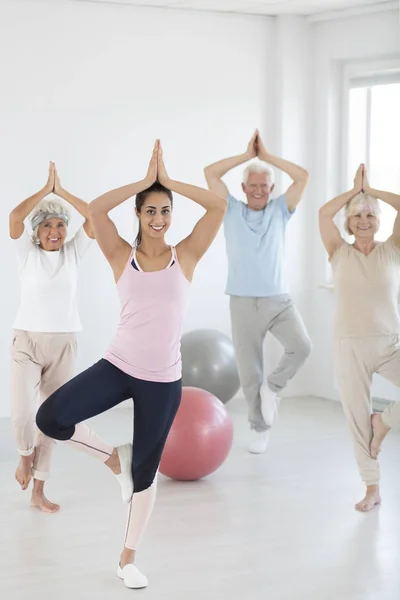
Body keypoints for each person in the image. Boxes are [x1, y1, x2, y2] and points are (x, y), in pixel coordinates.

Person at [36, 140, 227, 589]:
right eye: (150, 211)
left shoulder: (188, 256)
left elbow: (217, 207)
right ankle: (111, 459)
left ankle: (127, 559)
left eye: (165, 211)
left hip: (163, 382)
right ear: (138, 216)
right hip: (119, 365)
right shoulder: (122, 255)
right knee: (51, 417)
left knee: (144, 474)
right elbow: (98, 211)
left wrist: (169, 181)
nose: (159, 220)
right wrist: (144, 182)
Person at [204, 130, 312, 454]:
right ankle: (259, 429)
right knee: (250, 372)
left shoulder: (280, 209)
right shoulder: (231, 210)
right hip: (242, 302)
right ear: (243, 188)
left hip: (278, 300)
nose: (258, 191)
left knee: (302, 346)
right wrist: (245, 156)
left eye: (264, 186)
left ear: (271, 189)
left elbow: (303, 177)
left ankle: (274, 388)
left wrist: (265, 158)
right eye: (253, 185)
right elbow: (210, 173)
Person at [9, 162, 94, 513]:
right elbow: (15, 216)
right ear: (37, 232)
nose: (55, 231)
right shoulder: (27, 254)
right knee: (20, 412)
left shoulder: (74, 253)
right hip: (27, 341)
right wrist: (45, 191)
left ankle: (39, 490)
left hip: (64, 345)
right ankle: (24, 457)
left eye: (60, 224)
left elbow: (93, 216)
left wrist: (63, 193)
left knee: (52, 418)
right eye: (47, 225)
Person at [319, 163, 400, 512]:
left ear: (379, 220)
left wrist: (371, 191)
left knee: (372, 420)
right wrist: (354, 192)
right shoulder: (339, 250)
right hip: (349, 344)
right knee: (355, 418)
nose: (364, 220)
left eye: (370, 215)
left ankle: (384, 421)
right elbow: (324, 213)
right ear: (348, 222)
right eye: (357, 215)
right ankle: (372, 488)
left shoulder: (392, 249)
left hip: (390, 342)